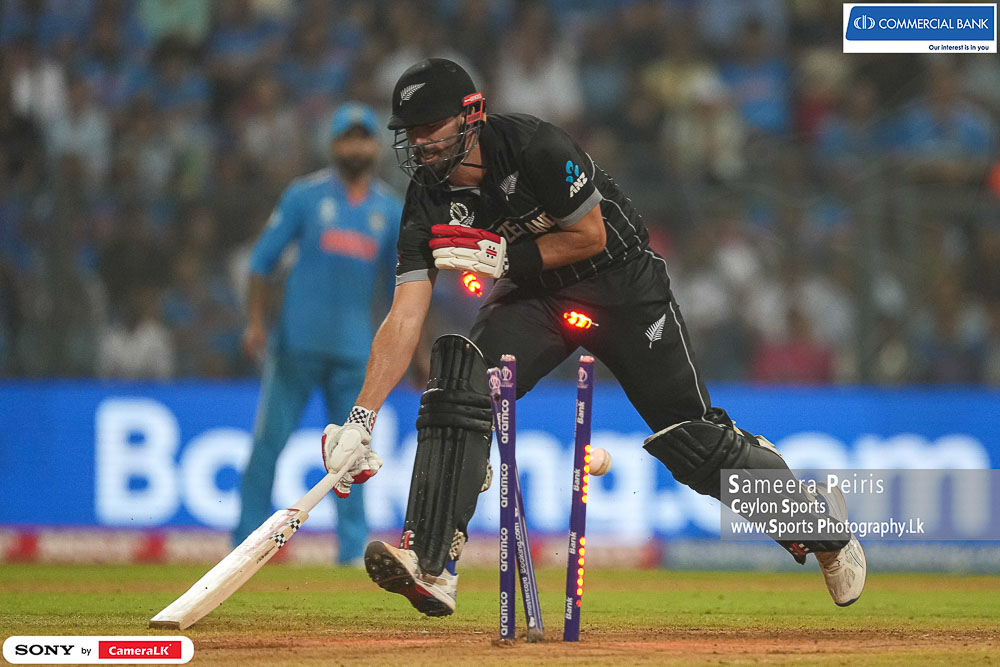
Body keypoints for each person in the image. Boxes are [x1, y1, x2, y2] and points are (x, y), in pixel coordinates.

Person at [319, 59, 866, 614]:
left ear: (471, 115)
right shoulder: (426, 199)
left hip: (621, 282)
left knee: (693, 442)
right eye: (410, 132)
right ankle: (431, 564)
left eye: (430, 127)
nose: (419, 142)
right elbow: (404, 316)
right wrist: (361, 418)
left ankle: (823, 530)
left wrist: (504, 257)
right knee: (462, 381)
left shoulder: (535, 145)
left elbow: (590, 235)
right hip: (536, 298)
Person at [234, 102, 402, 566]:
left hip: (355, 353)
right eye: (348, 138)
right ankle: (245, 544)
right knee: (269, 444)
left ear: (375, 146)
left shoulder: (389, 209)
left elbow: (402, 286)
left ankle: (351, 552)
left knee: (352, 457)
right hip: (296, 346)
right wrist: (255, 322)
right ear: (333, 145)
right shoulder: (304, 197)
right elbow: (261, 263)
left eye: (363, 138)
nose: (356, 147)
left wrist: (411, 346)